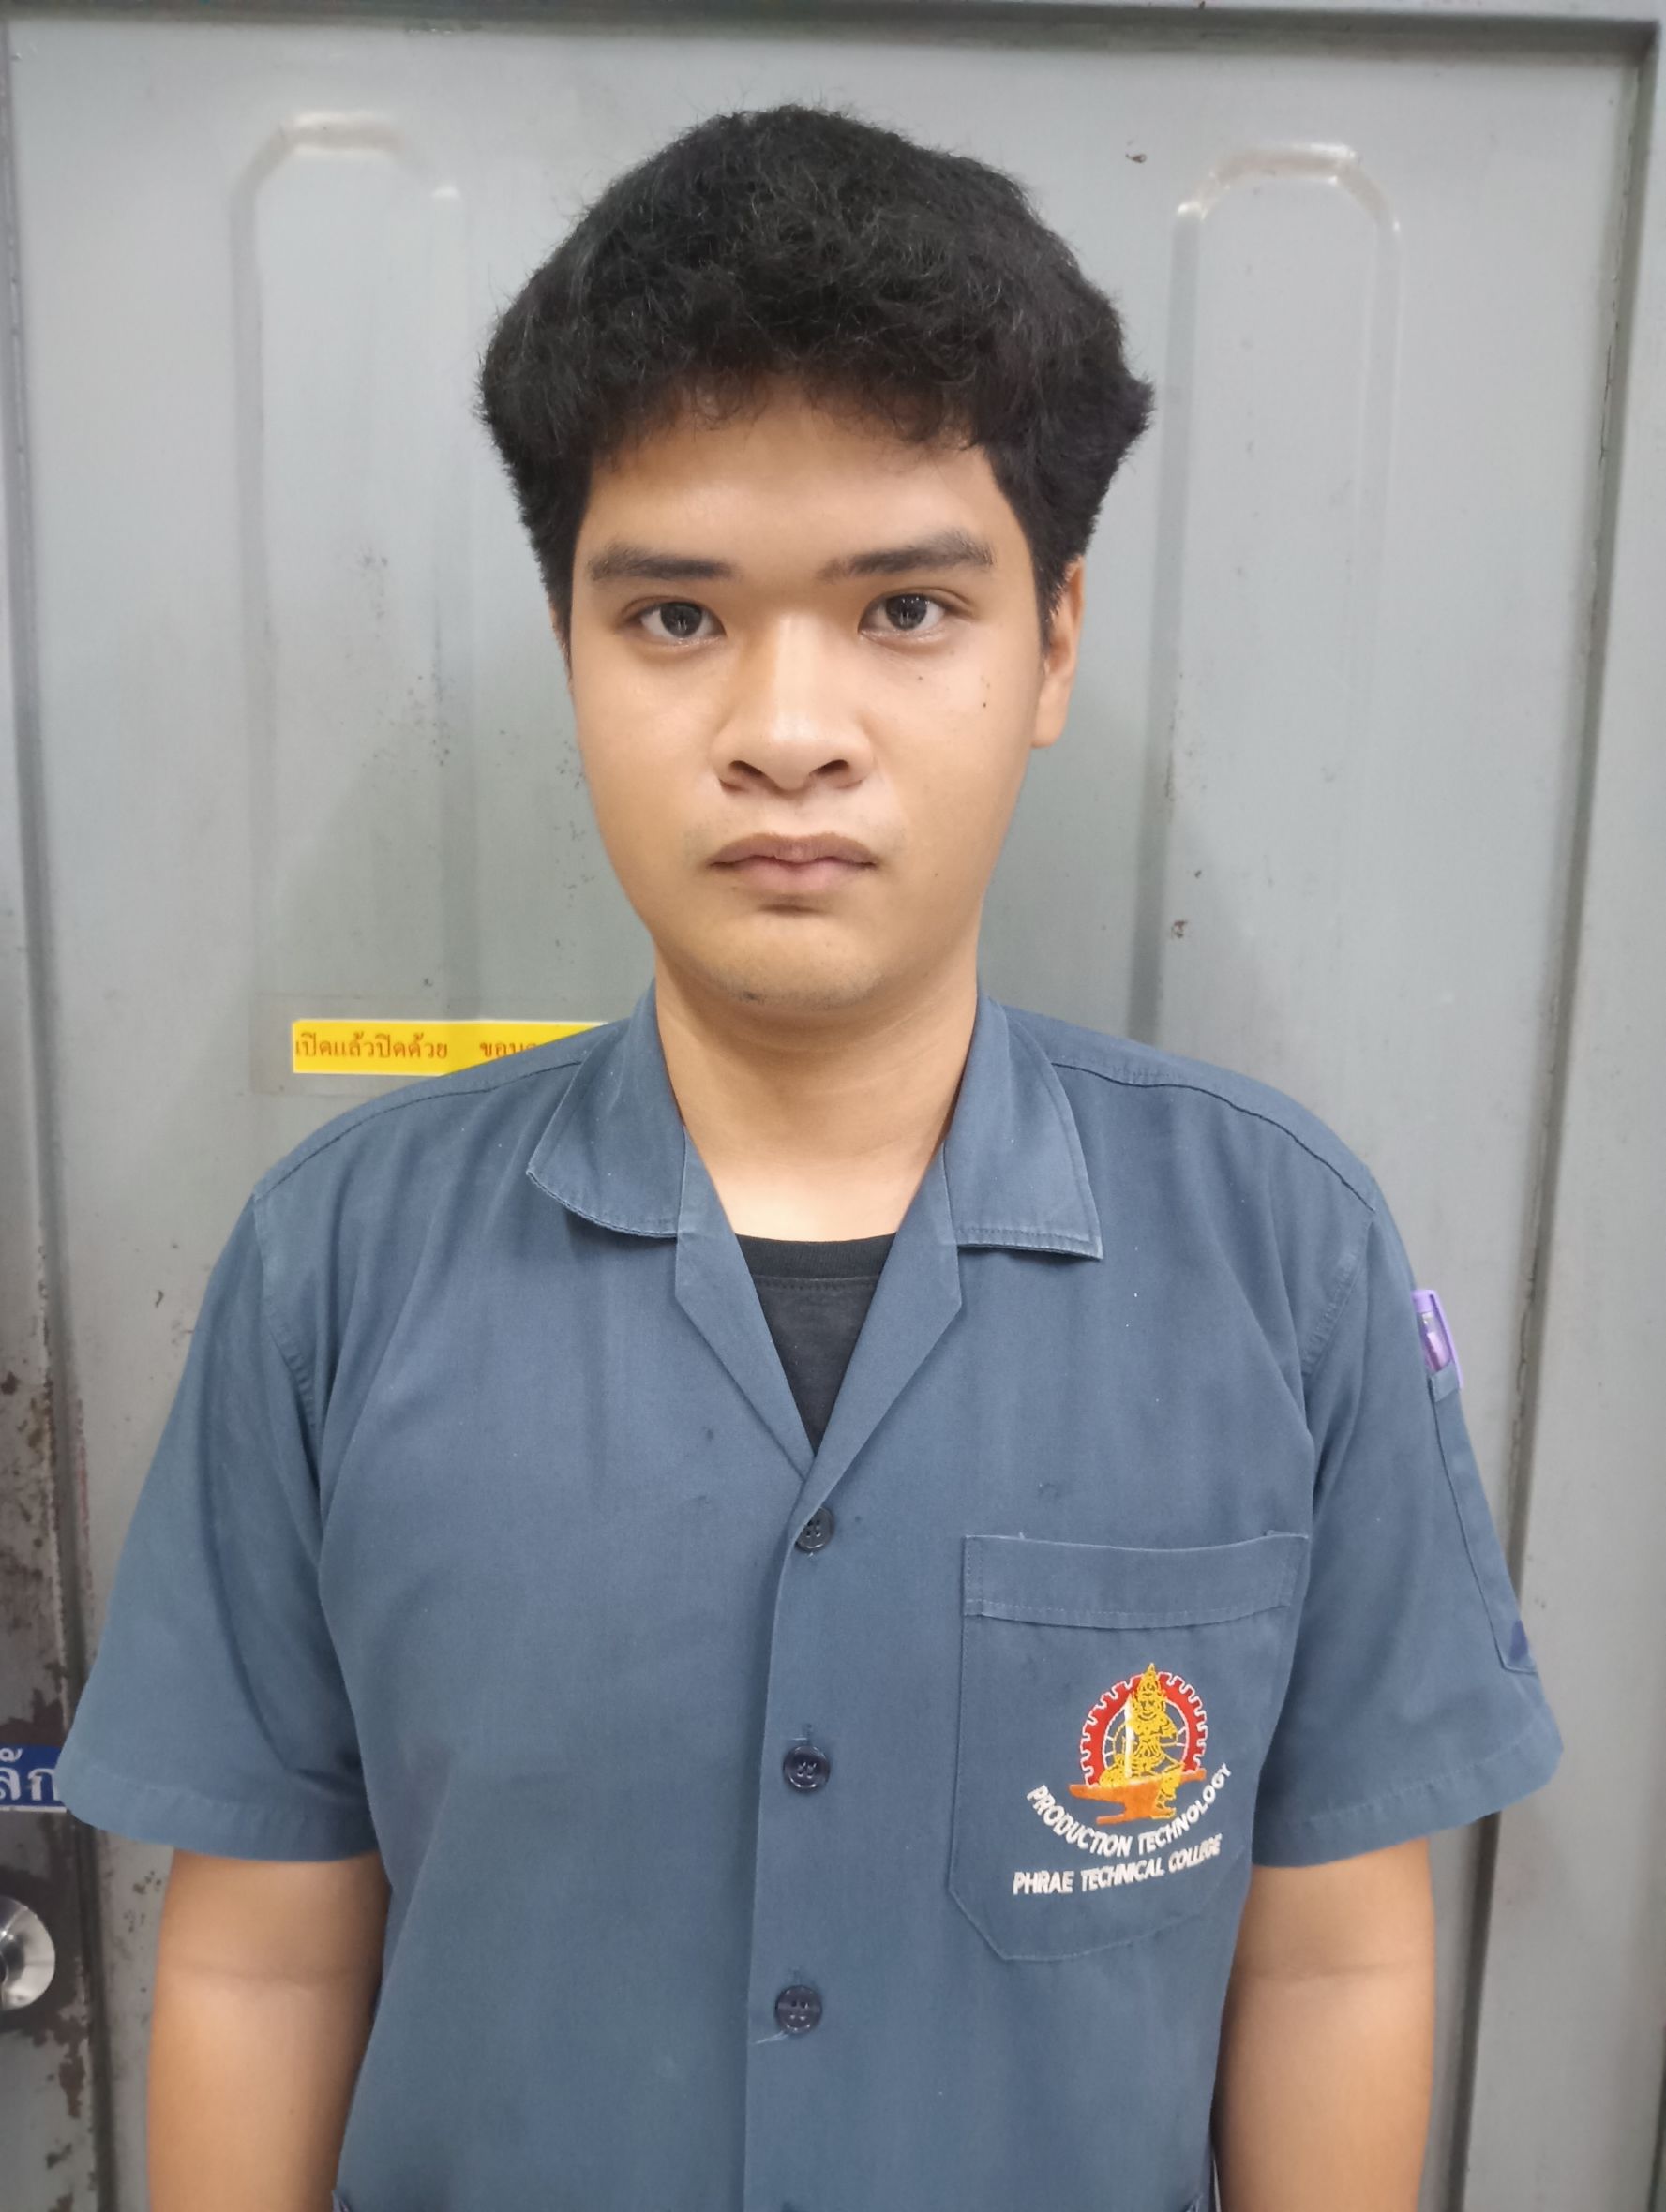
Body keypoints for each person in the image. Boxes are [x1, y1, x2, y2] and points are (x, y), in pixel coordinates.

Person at [54, 99, 1562, 2212]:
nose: (785, 730)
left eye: (906, 610)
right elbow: (266, 1954)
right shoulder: (337, 1266)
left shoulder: (1277, 1256)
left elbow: (1325, 1950)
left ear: (1052, 643)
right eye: (675, 617)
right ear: (570, 647)